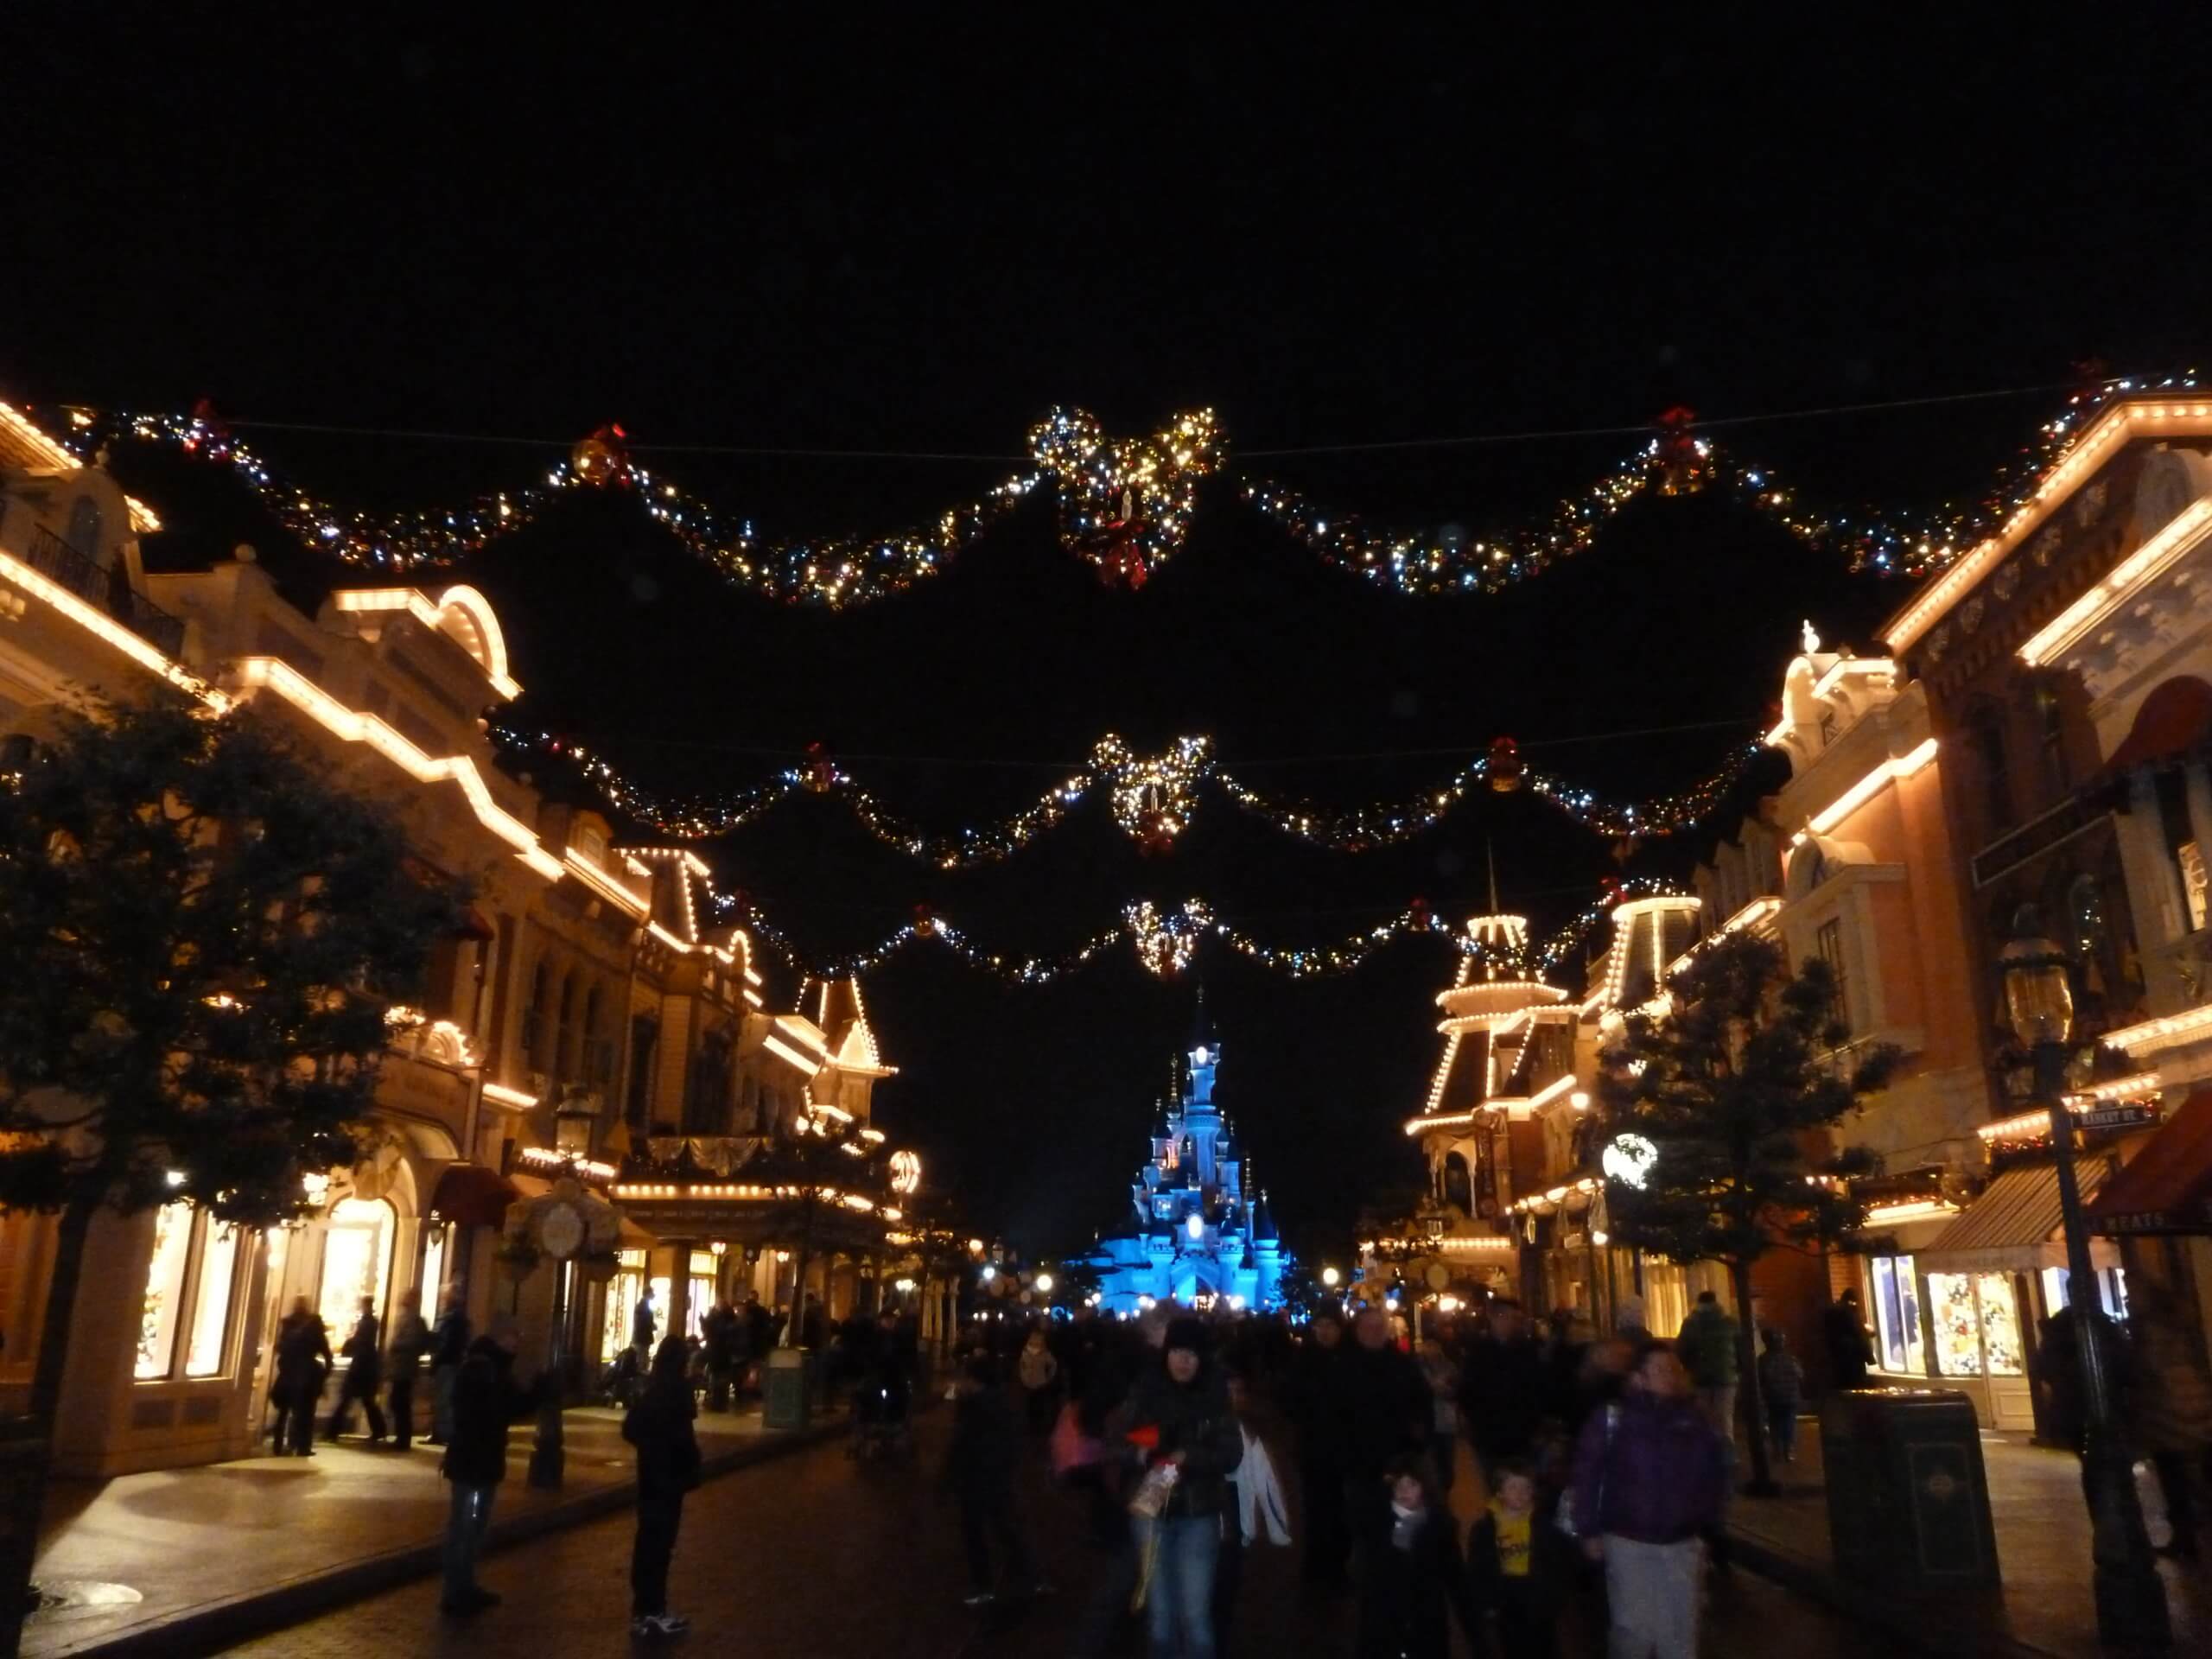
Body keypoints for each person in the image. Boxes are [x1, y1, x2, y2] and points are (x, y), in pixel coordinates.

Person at [1570, 1341, 1726, 1659]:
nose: (1668, 1375)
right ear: (1637, 1377)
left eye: (1672, 1369)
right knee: (1633, 1629)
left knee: (1680, 1632)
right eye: (1659, 1369)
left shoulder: (1695, 1420)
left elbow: (1712, 1474)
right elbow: (1587, 1473)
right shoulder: (1614, 1419)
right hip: (1628, 1539)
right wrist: (1588, 1529)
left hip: (1681, 1541)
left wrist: (1708, 1524)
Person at [1116, 1318, 1243, 1659]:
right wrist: (1144, 1451)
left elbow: (1231, 1453)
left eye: (1192, 1354)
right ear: (1166, 1353)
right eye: (1177, 1352)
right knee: (1160, 1619)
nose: (1183, 1361)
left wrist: (1188, 1457)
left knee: (1194, 1616)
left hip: (1197, 1513)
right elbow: (1118, 1442)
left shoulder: (1215, 1397)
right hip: (1152, 1510)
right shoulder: (1146, 1391)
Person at [440, 1315, 543, 1617]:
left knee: (473, 1525)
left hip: (480, 1459)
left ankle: (464, 1585)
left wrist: (535, 1394)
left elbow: (511, 1407)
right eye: (514, 1336)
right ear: (501, 1337)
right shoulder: (483, 1369)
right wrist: (533, 1395)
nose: (518, 1343)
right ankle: (456, 1590)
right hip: (474, 1460)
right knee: (467, 1525)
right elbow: (494, 1410)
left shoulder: (494, 1367)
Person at [942, 1354, 1045, 1608]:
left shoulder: (974, 1407)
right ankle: (1031, 1576)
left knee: (976, 1532)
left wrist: (948, 1478)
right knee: (1005, 1527)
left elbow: (961, 1444)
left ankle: (984, 1585)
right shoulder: (1002, 1403)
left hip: (976, 1477)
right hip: (996, 1476)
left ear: (973, 1379)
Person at [1356, 1455, 1475, 1659]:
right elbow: (1370, 1584)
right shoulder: (1378, 1525)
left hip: (1426, 1626)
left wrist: (1475, 1635)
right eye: (1399, 1485)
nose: (1404, 1491)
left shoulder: (1439, 1529)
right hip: (1386, 1626)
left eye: (1412, 1484)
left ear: (1425, 1487)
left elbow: (1457, 1582)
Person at [2126, 1278, 2210, 1560]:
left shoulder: (2152, 1330)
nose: (2128, 1298)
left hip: (2170, 1412)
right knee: (2192, 1472)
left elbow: (2151, 1368)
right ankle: (2189, 1534)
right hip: (2193, 1406)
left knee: (2175, 1477)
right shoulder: (2183, 1325)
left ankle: (2185, 1536)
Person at [624, 1335, 702, 1637]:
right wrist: (680, 1460)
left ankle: (647, 1609)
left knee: (650, 1542)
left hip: (653, 1479)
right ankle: (651, 1610)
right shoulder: (674, 1393)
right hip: (667, 1480)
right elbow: (680, 1438)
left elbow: (631, 1428)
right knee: (658, 1546)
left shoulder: (655, 1390)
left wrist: (650, 1450)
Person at [1215, 1369, 1291, 1657]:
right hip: (1200, 1524)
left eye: (1238, 1391)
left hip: (1233, 1523)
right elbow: (1172, 1465)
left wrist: (1278, 1529)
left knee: (1226, 1590)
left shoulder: (1248, 1435)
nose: (1233, 1398)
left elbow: (1266, 1484)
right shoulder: (1198, 1425)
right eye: (1227, 1391)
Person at [1281, 1310, 1351, 1588]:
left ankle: (1337, 1567)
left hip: (1344, 1449)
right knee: (1315, 1509)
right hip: (1313, 1447)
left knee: (1340, 1510)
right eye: (1320, 1325)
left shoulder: (1348, 1360)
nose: (1324, 1331)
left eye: (1330, 1325)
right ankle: (1316, 1569)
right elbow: (1288, 1400)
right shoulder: (1303, 1361)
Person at [1468, 1459, 1566, 1659]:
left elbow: (1556, 1561)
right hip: (1505, 1593)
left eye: (1526, 1488)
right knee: (1512, 1643)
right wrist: (1486, 1601)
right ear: (1499, 1492)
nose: (1520, 1493)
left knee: (1544, 1643)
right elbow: (1478, 1567)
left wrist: (1554, 1596)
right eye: (1513, 1487)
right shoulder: (1485, 1529)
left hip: (1536, 1590)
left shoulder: (1542, 1524)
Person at [1459, 1299, 1546, 1486]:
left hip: (1521, 1432)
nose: (1508, 1322)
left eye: (1513, 1318)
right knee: (1495, 1484)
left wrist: (1534, 1422)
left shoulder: (1526, 1350)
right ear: (1493, 1318)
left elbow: (1537, 1388)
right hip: (1489, 1433)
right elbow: (1468, 1390)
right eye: (1504, 1316)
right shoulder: (1478, 1352)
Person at [1675, 1291, 1738, 1446]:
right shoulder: (1729, 1322)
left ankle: (1707, 1449)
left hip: (1699, 1377)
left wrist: (1689, 1367)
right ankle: (1726, 1450)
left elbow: (1682, 1350)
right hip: (1726, 1376)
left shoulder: (1690, 1324)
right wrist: (1736, 1369)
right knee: (1725, 1418)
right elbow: (1741, 1349)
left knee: (1703, 1417)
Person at [272, 1296, 332, 1457]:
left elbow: (279, 1348)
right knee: (305, 1413)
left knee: (284, 1412)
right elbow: (326, 1353)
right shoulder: (314, 1326)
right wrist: (324, 1374)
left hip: (288, 1374)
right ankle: (302, 1446)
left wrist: (284, 1367)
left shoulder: (288, 1324)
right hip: (307, 1376)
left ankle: (278, 1445)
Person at [325, 1295, 386, 1443]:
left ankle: (333, 1431)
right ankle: (379, 1430)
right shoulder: (370, 1322)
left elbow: (360, 1342)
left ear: (366, 1306)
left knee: (347, 1399)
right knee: (366, 1400)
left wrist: (349, 1344)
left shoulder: (367, 1323)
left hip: (361, 1367)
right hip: (366, 1367)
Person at [386, 1287, 430, 1452]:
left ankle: (403, 1438)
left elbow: (413, 1343)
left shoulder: (413, 1320)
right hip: (402, 1367)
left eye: (406, 1297)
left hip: (404, 1368)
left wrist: (396, 1345)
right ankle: (402, 1437)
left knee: (400, 1403)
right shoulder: (408, 1318)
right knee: (399, 1402)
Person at [1416, 1337, 1462, 1493]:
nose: (1431, 1349)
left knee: (1447, 1461)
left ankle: (1446, 1488)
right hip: (1427, 1421)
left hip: (1446, 1420)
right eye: (1428, 1345)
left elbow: (1458, 1391)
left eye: (1433, 1345)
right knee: (1431, 1461)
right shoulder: (1418, 1368)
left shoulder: (1449, 1367)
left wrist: (1446, 1390)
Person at [427, 1292, 471, 1446]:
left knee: (444, 1400)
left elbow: (445, 1344)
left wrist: (437, 1360)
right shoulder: (457, 1319)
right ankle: (439, 1433)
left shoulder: (452, 1319)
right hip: (450, 1362)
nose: (441, 1301)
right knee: (443, 1399)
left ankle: (444, 1434)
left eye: (444, 1298)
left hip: (447, 1363)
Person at [1756, 1328, 1803, 1465]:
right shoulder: (1791, 1359)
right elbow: (1800, 1375)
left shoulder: (1763, 1360)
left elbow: (1761, 1379)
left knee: (1775, 1424)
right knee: (1789, 1423)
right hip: (1791, 1397)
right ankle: (1788, 1450)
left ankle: (1777, 1450)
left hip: (1773, 1398)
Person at [1823, 1288, 1873, 1393]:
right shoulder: (1850, 1312)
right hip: (1853, 1355)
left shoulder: (1831, 1311)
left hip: (1836, 1357)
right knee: (1856, 1387)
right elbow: (1859, 1334)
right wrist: (1870, 1358)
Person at [1018, 1325, 1061, 1435]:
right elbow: (1053, 1365)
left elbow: (1022, 1366)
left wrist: (1024, 1376)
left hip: (1033, 1382)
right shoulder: (1040, 1353)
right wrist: (1049, 1377)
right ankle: (1036, 1426)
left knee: (1034, 1405)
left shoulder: (1029, 1352)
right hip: (1037, 1382)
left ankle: (1034, 1426)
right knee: (1036, 1405)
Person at [702, 1300, 738, 1413]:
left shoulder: (717, 1320)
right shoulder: (731, 1319)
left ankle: (716, 1402)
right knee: (723, 1379)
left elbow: (710, 1332)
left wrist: (704, 1321)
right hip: (724, 1354)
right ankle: (721, 1403)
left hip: (717, 1352)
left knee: (716, 1378)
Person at [632, 1287, 658, 1355]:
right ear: (648, 1294)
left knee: (642, 1357)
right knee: (642, 1358)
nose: (653, 1295)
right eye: (652, 1293)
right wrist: (652, 1326)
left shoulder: (641, 1306)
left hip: (641, 1339)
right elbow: (643, 1323)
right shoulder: (643, 1307)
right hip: (642, 1339)